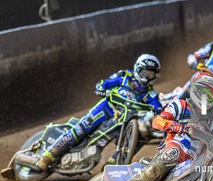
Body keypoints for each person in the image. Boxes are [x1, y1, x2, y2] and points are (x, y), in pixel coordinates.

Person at [16, 54, 162, 171]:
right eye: (145, 72)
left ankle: (110, 167)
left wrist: (161, 113)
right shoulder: (124, 76)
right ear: (138, 69)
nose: (147, 76)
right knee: (82, 128)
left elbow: (158, 106)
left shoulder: (151, 94)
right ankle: (47, 156)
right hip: (106, 108)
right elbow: (105, 83)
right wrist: (101, 87)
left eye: (150, 74)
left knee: (140, 137)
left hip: (123, 119)